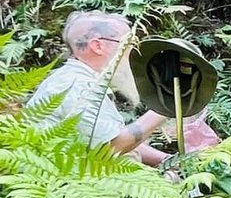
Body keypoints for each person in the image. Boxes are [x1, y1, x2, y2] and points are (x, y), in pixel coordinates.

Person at [26, 11, 171, 167]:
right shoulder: (77, 85)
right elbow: (111, 148)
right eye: (129, 42)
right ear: (97, 46)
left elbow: (107, 137)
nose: (133, 50)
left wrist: (167, 160)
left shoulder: (81, 80)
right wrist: (166, 105)